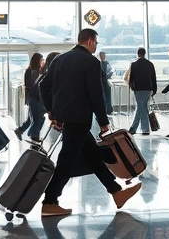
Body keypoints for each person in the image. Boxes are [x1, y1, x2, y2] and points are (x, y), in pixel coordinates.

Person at [37, 29, 141, 217]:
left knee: (92, 155)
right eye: (96, 42)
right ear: (91, 41)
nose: (96, 46)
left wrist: (52, 111)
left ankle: (116, 192)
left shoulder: (59, 60)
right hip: (79, 118)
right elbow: (96, 94)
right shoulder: (91, 62)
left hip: (67, 118)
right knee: (67, 160)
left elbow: (42, 85)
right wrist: (103, 121)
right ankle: (49, 201)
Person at [14, 53, 45, 144]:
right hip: (34, 97)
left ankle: (20, 130)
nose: (42, 62)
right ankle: (34, 135)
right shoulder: (32, 71)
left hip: (33, 97)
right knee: (38, 118)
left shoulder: (35, 71)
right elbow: (31, 86)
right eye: (41, 60)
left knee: (31, 118)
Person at [127, 48, 158, 136]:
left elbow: (131, 78)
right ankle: (133, 128)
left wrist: (131, 86)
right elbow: (153, 78)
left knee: (142, 108)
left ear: (138, 54)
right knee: (142, 107)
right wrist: (154, 89)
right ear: (144, 54)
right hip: (148, 88)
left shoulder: (134, 64)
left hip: (138, 89)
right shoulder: (150, 64)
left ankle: (145, 129)